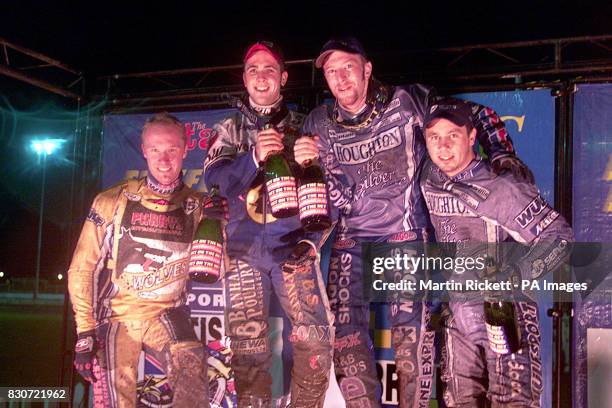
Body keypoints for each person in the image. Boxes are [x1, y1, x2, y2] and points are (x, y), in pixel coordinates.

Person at [294, 37, 532, 408]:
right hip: (350, 241)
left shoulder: (409, 101)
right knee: (347, 342)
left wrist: (502, 155)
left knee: (412, 347)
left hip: (405, 234)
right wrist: (302, 158)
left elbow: (477, 116)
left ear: (367, 69)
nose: (340, 78)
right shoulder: (317, 121)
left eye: (348, 67)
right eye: (330, 71)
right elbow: (309, 190)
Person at [202, 41, 334, 408]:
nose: (262, 76)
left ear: (284, 78)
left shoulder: (305, 126)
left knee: (316, 342)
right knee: (248, 348)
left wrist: (312, 242)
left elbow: (331, 191)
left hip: (292, 249)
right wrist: (255, 157)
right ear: (244, 78)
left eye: (270, 69)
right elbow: (213, 183)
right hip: (244, 252)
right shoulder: (228, 129)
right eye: (254, 70)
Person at [420, 98, 573, 407]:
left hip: (504, 312)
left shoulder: (502, 187)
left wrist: (518, 273)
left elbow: (560, 238)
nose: (443, 146)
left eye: (453, 135)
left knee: (512, 403)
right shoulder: (429, 175)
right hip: (458, 315)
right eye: (434, 137)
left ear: (472, 137)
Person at [68, 113, 214, 408]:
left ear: (186, 150)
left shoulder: (199, 207)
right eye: (156, 150)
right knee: (112, 400)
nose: (164, 160)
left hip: (167, 314)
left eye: (172, 150)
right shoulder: (111, 200)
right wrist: (85, 332)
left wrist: (221, 225)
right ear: (144, 150)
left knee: (193, 380)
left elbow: (217, 269)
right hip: (117, 316)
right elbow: (82, 267)